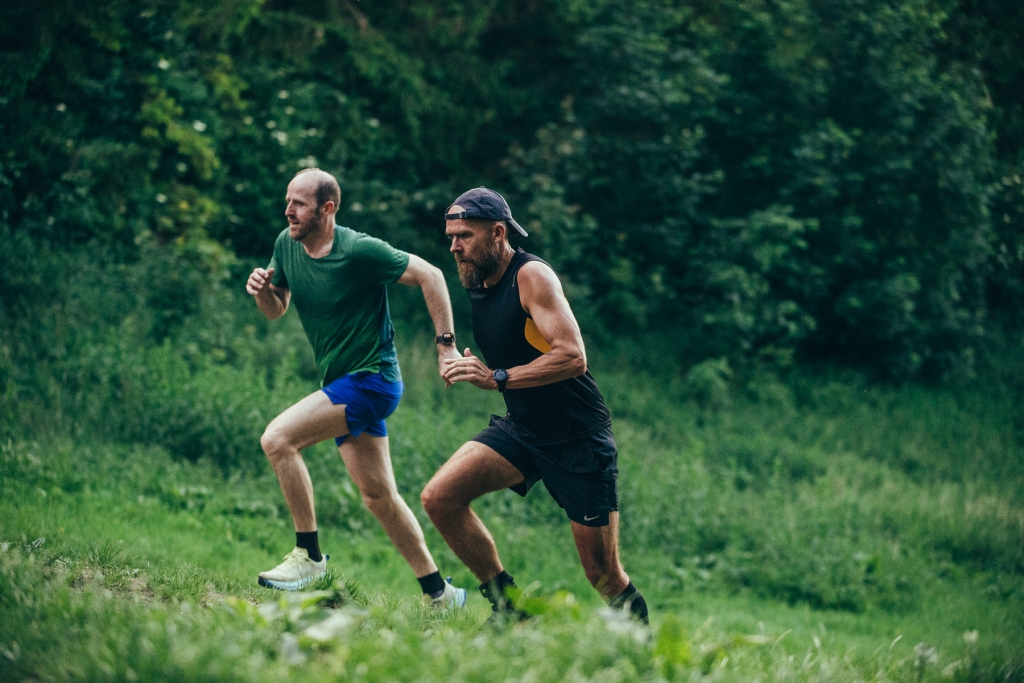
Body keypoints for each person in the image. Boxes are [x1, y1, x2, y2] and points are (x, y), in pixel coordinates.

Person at [420, 187, 648, 623]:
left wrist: (497, 378)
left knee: (603, 574)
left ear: (498, 233)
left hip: (577, 438)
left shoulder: (531, 276)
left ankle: (644, 651)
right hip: (524, 428)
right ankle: (509, 608)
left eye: (464, 236)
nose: (454, 247)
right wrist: (451, 350)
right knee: (440, 498)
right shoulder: (478, 276)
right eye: (451, 237)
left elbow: (573, 356)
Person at [245, 168, 466, 609]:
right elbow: (276, 309)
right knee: (379, 496)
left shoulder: (359, 250)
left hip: (372, 379)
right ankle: (441, 595)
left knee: (278, 439)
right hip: (343, 381)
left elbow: (432, 275)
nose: (288, 210)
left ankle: (308, 556)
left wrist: (446, 348)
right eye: (287, 201)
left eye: (299, 204)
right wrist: (262, 292)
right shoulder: (286, 244)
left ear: (327, 209)